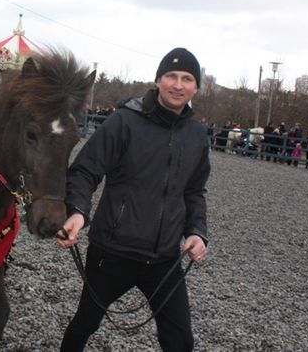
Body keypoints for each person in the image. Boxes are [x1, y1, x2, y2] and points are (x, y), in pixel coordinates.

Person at [57, 47, 210, 352]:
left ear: (196, 88)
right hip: (113, 251)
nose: (178, 85)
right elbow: (85, 170)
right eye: (171, 76)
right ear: (158, 80)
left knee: (181, 341)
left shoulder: (197, 134)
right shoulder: (124, 121)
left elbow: (194, 191)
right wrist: (77, 211)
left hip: (165, 258)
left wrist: (196, 232)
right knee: (85, 324)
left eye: (187, 79)